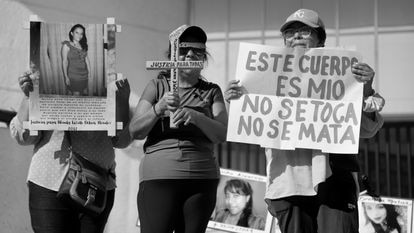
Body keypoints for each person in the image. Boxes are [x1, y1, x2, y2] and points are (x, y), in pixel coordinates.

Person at [224, 9, 385, 233]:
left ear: (320, 40)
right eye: (290, 32)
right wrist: (237, 100)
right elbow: (250, 124)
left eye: (304, 31)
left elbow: (368, 130)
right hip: (287, 181)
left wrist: (365, 89)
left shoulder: (345, 75)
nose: (296, 36)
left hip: (335, 179)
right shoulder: (265, 77)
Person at [129, 25, 228, 233]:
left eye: (197, 51)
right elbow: (135, 131)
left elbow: (221, 134)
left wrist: (196, 117)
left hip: (202, 180)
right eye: (183, 50)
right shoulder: (156, 86)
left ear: (204, 58)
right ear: (172, 56)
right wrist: (158, 108)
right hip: (159, 178)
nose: (190, 54)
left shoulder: (211, 91)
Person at [10, 65, 131, 233]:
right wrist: (29, 95)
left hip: (96, 185)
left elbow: (122, 140)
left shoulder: (109, 80)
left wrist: (123, 100)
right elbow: (24, 137)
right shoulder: (45, 74)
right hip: (49, 182)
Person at [62, 24, 91, 96]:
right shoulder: (66, 45)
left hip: (84, 74)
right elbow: (64, 62)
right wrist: (66, 77)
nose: (79, 35)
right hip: (73, 75)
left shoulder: (83, 45)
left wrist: (89, 73)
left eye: (81, 33)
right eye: (77, 33)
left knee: (82, 92)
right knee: (76, 95)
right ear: (72, 33)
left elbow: (87, 60)